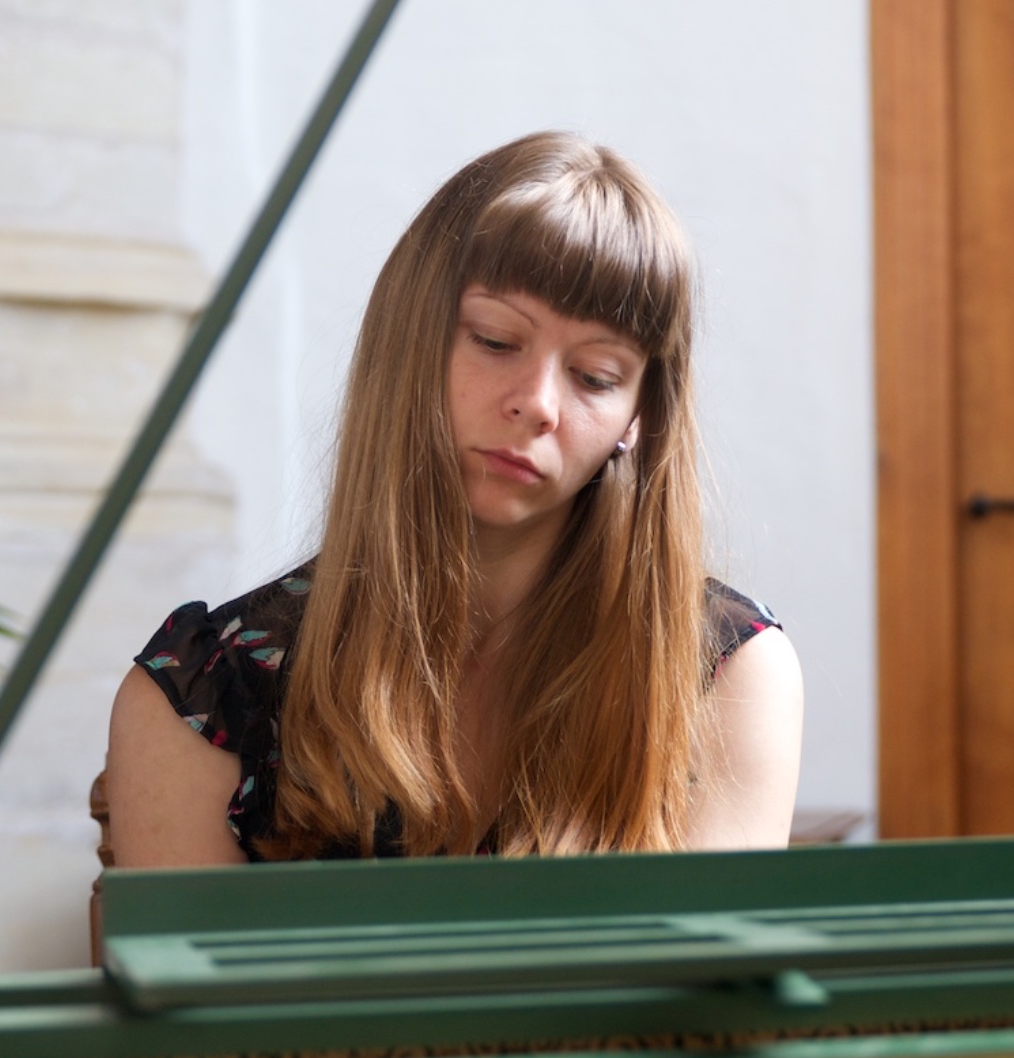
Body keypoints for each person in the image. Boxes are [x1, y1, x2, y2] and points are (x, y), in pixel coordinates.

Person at [106, 131, 803, 866]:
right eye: (497, 341)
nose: (538, 404)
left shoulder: (729, 675)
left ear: (639, 417)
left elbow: (709, 978)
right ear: (410, 343)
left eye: (596, 376)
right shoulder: (200, 699)